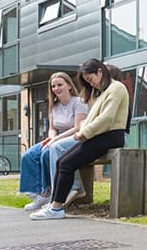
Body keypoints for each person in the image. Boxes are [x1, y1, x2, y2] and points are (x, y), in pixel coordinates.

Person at [30, 59, 130, 220]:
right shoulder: (104, 91)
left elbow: (107, 118)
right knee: (62, 161)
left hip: (111, 136)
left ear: (99, 71)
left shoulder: (117, 88)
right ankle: (55, 205)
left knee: (67, 163)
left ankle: (56, 208)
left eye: (91, 80)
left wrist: (84, 133)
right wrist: (85, 131)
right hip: (101, 135)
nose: (93, 84)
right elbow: (93, 117)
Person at [18, 72, 88, 211]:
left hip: (73, 138)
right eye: (53, 86)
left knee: (47, 154)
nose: (56, 88)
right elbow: (52, 128)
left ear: (69, 85)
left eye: (60, 85)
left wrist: (55, 139)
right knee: (29, 155)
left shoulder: (78, 103)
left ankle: (50, 191)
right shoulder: (54, 106)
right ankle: (39, 193)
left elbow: (77, 128)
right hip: (56, 137)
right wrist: (51, 137)